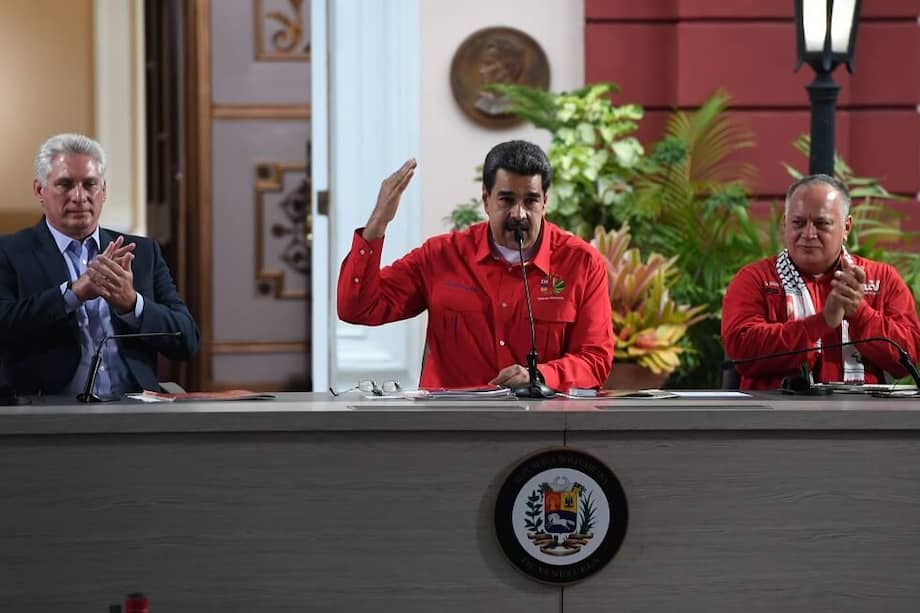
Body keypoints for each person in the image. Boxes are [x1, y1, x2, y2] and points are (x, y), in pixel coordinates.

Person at [337, 140, 614, 391]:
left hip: (541, 422)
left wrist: (539, 375)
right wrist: (378, 224)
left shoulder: (582, 263)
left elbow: (596, 360)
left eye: (531, 201)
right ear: (486, 200)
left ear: (545, 203)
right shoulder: (441, 256)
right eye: (506, 200)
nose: (519, 214)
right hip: (453, 422)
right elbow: (358, 308)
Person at [0, 133, 199, 396]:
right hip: (48, 410)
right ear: (40, 190)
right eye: (65, 184)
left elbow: (187, 341)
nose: (79, 196)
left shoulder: (142, 252)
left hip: (134, 409)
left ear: (103, 191)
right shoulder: (9, 251)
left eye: (90, 184)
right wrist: (73, 294)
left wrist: (132, 305)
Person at [722, 174, 920, 390]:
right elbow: (742, 353)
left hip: (864, 410)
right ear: (785, 223)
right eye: (798, 223)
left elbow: (909, 357)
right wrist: (822, 322)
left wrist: (861, 314)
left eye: (821, 223)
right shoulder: (754, 279)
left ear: (846, 228)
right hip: (776, 409)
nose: (808, 234)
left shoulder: (882, 279)